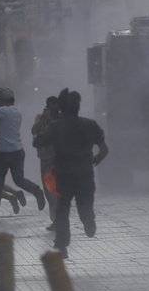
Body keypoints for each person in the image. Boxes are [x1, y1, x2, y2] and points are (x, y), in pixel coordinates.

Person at [33, 88, 108, 259]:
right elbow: (104, 149)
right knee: (84, 206)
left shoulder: (56, 126)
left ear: (60, 108)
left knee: (62, 210)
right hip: (85, 176)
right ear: (78, 107)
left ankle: (62, 244)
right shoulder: (90, 125)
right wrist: (94, 160)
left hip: (64, 176)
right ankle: (88, 220)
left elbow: (37, 141)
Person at [0, 87, 46, 220]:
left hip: (4, 153)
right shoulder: (16, 110)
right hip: (17, 151)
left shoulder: (4, 111)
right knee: (18, 180)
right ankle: (36, 191)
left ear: (4, 100)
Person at [31, 96, 60, 230]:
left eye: (55, 105)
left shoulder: (60, 119)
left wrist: (51, 121)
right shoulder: (40, 117)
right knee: (49, 192)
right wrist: (44, 118)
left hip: (55, 159)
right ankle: (56, 219)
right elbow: (34, 131)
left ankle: (58, 220)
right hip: (43, 158)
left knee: (53, 190)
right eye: (50, 106)